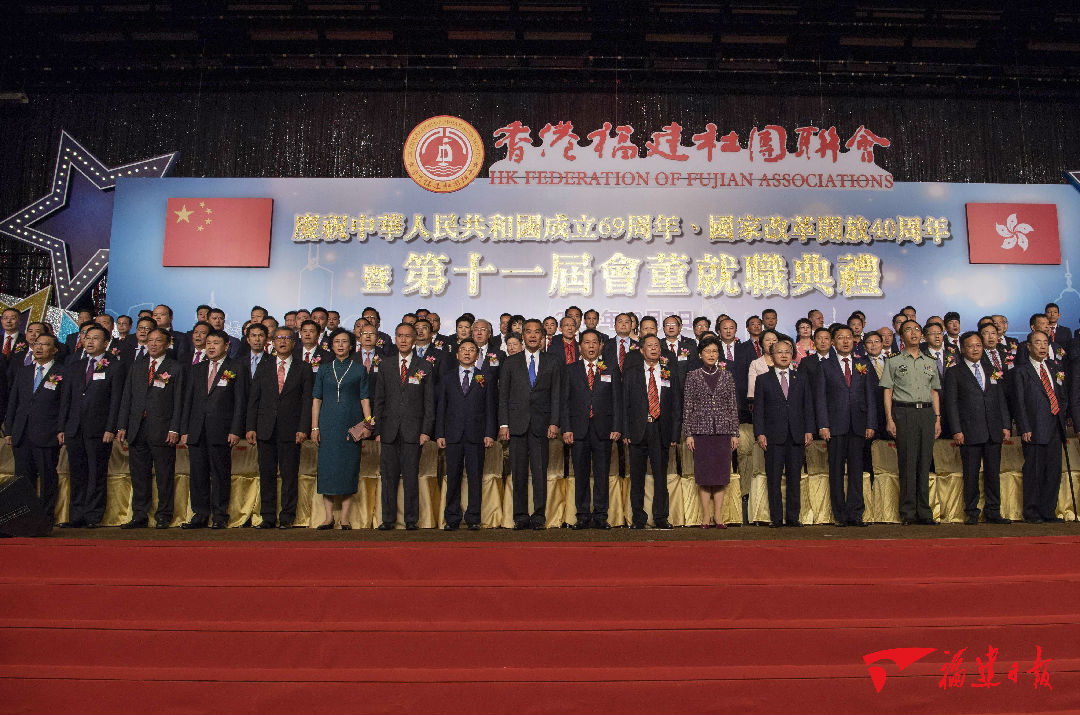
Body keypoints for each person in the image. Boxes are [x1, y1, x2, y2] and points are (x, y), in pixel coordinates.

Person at [245, 327, 313, 529]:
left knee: (289, 475)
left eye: (287, 338)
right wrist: (250, 426)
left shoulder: (303, 368)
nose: (282, 341)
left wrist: (303, 428)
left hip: (291, 430)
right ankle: (267, 516)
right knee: (266, 474)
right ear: (272, 342)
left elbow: (307, 401)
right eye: (278, 338)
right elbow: (254, 399)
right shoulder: (264, 366)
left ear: (294, 343)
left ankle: (287, 516)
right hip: (265, 428)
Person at [59, 324, 126, 529]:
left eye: (95, 338)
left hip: (99, 429)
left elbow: (116, 400)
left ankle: (93, 516)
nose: (89, 341)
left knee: (96, 473)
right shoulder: (75, 366)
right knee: (77, 473)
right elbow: (66, 399)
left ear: (106, 343)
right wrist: (62, 427)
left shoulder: (115, 365)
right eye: (87, 338)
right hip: (74, 428)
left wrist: (111, 428)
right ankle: (76, 515)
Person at [116, 327, 184, 529]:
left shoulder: (175, 367)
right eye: (150, 340)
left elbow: (179, 401)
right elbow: (126, 398)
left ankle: (164, 515)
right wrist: (122, 425)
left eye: (158, 340)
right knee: (139, 475)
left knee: (164, 474)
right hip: (137, 428)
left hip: (163, 429)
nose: (153, 344)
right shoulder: (137, 366)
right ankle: (139, 515)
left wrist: (175, 428)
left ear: (167, 344)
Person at [498, 318, 562, 530]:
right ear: (522, 336)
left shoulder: (552, 361)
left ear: (542, 336)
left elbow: (556, 394)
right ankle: (520, 516)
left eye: (537, 332)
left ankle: (539, 515)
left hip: (541, 425)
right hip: (516, 425)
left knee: (539, 472)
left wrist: (554, 422)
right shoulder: (511, 362)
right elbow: (503, 396)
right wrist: (504, 424)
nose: (533, 335)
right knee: (518, 473)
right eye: (528, 332)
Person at [180, 330, 247, 529]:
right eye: (208, 343)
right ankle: (200, 514)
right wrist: (184, 429)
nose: (210, 346)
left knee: (220, 474)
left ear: (226, 346)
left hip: (222, 429)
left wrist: (235, 429)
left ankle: (219, 515)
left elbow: (240, 402)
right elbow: (187, 401)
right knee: (198, 474)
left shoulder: (236, 367)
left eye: (215, 343)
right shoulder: (197, 368)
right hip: (196, 429)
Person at [943, 331, 1012, 525]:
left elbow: (1000, 400)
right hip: (969, 431)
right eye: (971, 346)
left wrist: (1006, 425)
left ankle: (993, 511)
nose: (975, 349)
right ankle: (972, 512)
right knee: (971, 474)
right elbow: (951, 404)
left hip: (993, 430)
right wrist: (956, 430)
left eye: (978, 345)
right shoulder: (954, 372)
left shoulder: (991, 369)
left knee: (993, 474)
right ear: (962, 349)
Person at [753, 338, 821, 527]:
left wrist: (809, 430)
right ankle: (776, 518)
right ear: (772, 356)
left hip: (796, 434)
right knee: (774, 479)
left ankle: (793, 517)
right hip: (773, 436)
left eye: (787, 352)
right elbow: (758, 409)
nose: (784, 355)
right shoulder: (763, 379)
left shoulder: (801, 378)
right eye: (779, 352)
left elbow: (808, 406)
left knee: (794, 478)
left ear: (792, 355)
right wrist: (760, 433)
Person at [373, 323, 435, 530]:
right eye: (399, 335)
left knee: (410, 477)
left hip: (413, 430)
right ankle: (387, 519)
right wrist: (378, 430)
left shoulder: (424, 366)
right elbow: (379, 400)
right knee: (388, 477)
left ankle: (411, 519)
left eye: (408, 336)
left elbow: (429, 402)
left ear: (414, 339)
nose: (403, 340)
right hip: (389, 429)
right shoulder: (386, 365)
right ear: (395, 338)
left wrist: (425, 430)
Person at [880, 320, 941, 526]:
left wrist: (937, 418)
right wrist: (889, 419)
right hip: (904, 413)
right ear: (901, 336)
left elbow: (934, 391)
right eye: (908, 330)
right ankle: (907, 512)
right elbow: (887, 391)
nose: (913, 333)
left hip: (927, 414)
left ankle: (924, 512)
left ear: (922, 335)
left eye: (916, 329)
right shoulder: (894, 361)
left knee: (924, 463)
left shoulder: (930, 361)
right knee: (907, 462)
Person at [561, 329, 623, 530]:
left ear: (600, 346)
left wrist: (616, 426)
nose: (591, 346)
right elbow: (565, 402)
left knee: (602, 474)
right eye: (586, 342)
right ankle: (582, 515)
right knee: (580, 474)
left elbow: (617, 400)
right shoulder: (571, 369)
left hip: (603, 429)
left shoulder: (610, 368)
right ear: (580, 347)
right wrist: (566, 428)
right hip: (578, 430)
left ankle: (601, 515)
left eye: (594, 342)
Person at [311, 328, 372, 529]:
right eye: (336, 341)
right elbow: (316, 399)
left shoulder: (359, 369)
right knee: (327, 469)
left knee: (348, 468)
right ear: (331, 345)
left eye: (344, 341)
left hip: (351, 424)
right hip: (327, 425)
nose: (340, 345)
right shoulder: (323, 369)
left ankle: (345, 518)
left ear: (351, 345)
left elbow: (365, 399)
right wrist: (314, 427)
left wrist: (368, 424)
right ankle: (328, 517)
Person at [818, 326, 876, 527]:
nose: (845, 341)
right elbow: (820, 398)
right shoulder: (825, 365)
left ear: (854, 341)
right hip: (835, 425)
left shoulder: (863, 363)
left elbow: (870, 396)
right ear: (833, 342)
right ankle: (840, 515)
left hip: (859, 424)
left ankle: (856, 513)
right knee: (836, 471)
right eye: (841, 338)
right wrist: (823, 425)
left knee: (856, 470)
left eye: (849, 337)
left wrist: (870, 423)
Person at [435, 338, 496, 530]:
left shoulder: (484, 377)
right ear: (457, 354)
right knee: (453, 477)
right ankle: (452, 518)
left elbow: (490, 408)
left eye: (471, 350)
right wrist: (440, 433)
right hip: (452, 435)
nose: (467, 352)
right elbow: (441, 407)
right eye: (463, 349)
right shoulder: (448, 377)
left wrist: (489, 433)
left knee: (475, 478)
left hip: (476, 435)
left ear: (477, 356)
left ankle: (473, 518)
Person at [4, 333, 65, 524]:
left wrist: (61, 429)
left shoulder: (62, 371)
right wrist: (9, 430)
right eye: (37, 344)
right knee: (22, 479)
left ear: (54, 350)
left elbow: (65, 404)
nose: (39, 347)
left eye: (45, 344)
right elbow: (13, 402)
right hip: (22, 434)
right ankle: (24, 518)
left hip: (47, 433)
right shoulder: (24, 371)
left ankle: (44, 518)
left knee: (47, 477)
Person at [622, 335, 681, 530]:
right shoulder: (632, 373)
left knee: (660, 477)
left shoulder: (668, 371)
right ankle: (638, 518)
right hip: (638, 430)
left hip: (661, 429)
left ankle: (661, 517)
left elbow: (676, 405)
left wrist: (675, 433)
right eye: (649, 346)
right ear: (641, 350)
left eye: (656, 345)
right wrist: (625, 432)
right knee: (637, 477)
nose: (654, 348)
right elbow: (625, 404)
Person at [682, 336, 739, 529]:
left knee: (721, 476)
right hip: (701, 431)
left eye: (714, 351)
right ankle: (706, 516)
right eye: (707, 351)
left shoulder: (727, 376)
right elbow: (688, 406)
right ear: (700, 354)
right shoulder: (693, 376)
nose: (711, 355)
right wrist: (689, 434)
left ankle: (719, 516)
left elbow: (732, 406)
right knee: (705, 477)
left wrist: (734, 433)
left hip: (723, 431)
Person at [1015, 330, 1067, 523]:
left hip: (1055, 426)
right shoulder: (1021, 371)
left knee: (1053, 471)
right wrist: (1024, 427)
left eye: (1045, 342)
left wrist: (1062, 415)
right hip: (1034, 427)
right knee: (1034, 471)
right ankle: (1031, 511)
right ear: (1029, 346)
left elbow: (1062, 395)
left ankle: (1048, 511)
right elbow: (1019, 402)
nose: (1043, 346)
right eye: (1038, 342)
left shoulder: (1054, 367)